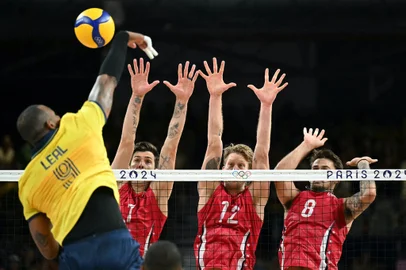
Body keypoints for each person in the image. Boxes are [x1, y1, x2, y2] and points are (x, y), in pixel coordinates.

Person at [16, 31, 156, 269]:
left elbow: (47, 248)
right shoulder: (77, 125)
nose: (59, 116)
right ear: (51, 123)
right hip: (114, 240)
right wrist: (122, 38)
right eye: (54, 114)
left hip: (76, 253)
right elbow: (106, 81)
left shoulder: (27, 183)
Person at [194, 58, 288, 270]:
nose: (235, 170)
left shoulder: (255, 198)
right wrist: (215, 96)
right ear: (222, 169)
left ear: (249, 173)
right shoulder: (209, 190)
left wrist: (266, 105)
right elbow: (214, 142)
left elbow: (262, 153)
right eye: (230, 165)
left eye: (241, 166)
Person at [112, 58, 199, 256]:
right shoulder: (117, 185)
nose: (141, 165)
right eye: (137, 160)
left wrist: (182, 101)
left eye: (148, 161)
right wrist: (137, 96)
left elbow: (171, 144)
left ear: (155, 170)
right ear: (129, 164)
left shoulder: (158, 194)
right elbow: (126, 140)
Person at [275, 128, 377, 270]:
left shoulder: (341, 206)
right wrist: (306, 146)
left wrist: (363, 163)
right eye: (315, 168)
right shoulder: (294, 198)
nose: (319, 172)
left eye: (325, 169)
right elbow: (280, 174)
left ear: (336, 179)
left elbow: (369, 194)